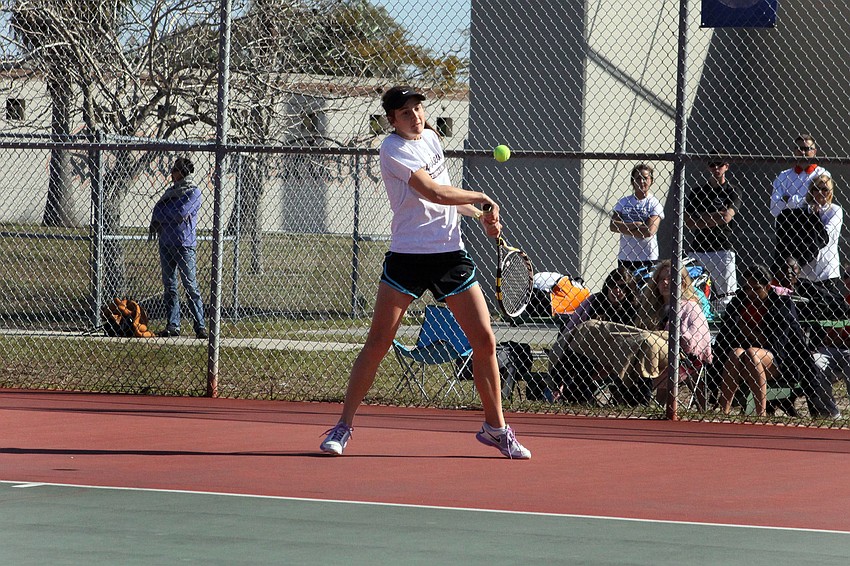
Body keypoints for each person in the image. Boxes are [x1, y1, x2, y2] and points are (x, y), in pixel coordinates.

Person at [319, 86, 531, 459]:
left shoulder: (432, 138)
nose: (415, 116)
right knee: (379, 342)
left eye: (418, 109)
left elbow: (447, 194)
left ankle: (496, 429)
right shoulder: (392, 149)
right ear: (391, 119)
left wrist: (480, 216)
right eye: (405, 112)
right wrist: (482, 197)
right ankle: (343, 425)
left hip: (450, 256)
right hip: (408, 257)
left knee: (484, 341)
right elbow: (433, 192)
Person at [714, 264, 839, 418]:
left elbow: (777, 344)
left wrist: (747, 332)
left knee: (752, 353)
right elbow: (727, 336)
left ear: (767, 286)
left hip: (778, 361)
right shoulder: (739, 303)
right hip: (743, 359)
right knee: (736, 353)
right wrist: (749, 333)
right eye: (747, 288)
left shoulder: (780, 304)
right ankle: (723, 411)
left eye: (756, 288)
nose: (750, 293)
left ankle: (761, 413)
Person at [547, 267, 639, 404]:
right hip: (589, 351)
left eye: (622, 287)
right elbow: (572, 326)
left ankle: (568, 391)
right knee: (579, 352)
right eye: (612, 285)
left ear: (629, 289)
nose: (616, 290)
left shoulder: (634, 308)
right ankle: (565, 389)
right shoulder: (595, 301)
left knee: (582, 356)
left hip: (616, 354)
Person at [634, 260, 713, 404]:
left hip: (681, 356)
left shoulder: (690, 306)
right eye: (661, 279)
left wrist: (662, 337)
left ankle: (642, 399)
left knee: (649, 342)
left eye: (670, 279)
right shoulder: (652, 307)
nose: (665, 283)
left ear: (682, 283)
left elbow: (695, 341)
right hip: (650, 356)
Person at [149, 157, 208, 339]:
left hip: (184, 244)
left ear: (182, 172)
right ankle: (173, 325)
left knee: (190, 286)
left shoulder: (193, 192)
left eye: (174, 170)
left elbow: (181, 213)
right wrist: (169, 214)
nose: (171, 174)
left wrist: (166, 214)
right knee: (170, 286)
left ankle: (200, 326)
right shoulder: (170, 192)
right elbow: (157, 211)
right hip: (166, 242)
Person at [684, 156, 740, 313]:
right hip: (698, 248)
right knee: (692, 291)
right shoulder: (697, 192)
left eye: (720, 165)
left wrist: (701, 217)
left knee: (726, 296)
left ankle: (726, 331)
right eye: (712, 165)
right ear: (707, 167)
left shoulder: (732, 190)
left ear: (726, 166)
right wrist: (717, 216)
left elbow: (727, 216)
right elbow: (688, 221)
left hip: (722, 248)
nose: (716, 168)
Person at [610, 163, 665, 273]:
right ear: (632, 181)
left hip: (648, 257)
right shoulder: (624, 202)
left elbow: (649, 231)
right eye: (638, 178)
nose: (641, 182)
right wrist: (637, 225)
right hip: (625, 257)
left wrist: (625, 228)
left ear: (651, 181)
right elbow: (613, 226)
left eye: (645, 178)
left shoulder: (654, 203)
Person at [770, 134, 830, 218]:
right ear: (794, 151)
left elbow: (822, 204)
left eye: (807, 149)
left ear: (814, 152)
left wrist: (789, 200)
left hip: (813, 223)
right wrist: (808, 202)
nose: (803, 152)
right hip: (787, 224)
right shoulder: (784, 176)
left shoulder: (822, 174)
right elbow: (774, 208)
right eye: (799, 149)